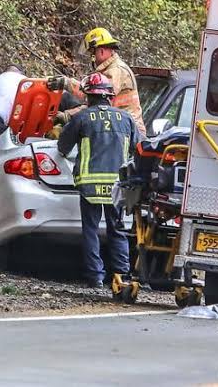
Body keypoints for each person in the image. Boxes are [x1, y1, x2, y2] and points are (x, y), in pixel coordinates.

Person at [57, 73, 140, 288]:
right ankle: (122, 274)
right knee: (117, 228)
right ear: (110, 96)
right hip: (117, 186)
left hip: (90, 186)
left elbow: (62, 147)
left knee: (91, 230)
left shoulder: (82, 118)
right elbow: (137, 149)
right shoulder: (127, 119)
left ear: (89, 97)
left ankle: (96, 277)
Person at [58, 28, 146, 136]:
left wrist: (67, 116)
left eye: (91, 52)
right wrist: (66, 84)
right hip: (117, 124)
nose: (91, 57)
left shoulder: (116, 71)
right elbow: (91, 98)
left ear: (101, 51)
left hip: (128, 132)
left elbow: (97, 104)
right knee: (66, 99)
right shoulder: (108, 69)